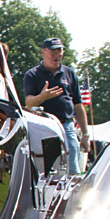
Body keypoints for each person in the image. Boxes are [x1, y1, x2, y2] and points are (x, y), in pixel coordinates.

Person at [23, 37, 89, 174]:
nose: (56, 55)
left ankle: (71, 192)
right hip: (44, 127)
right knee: (47, 170)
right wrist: (42, 97)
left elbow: (78, 106)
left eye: (59, 51)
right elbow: (28, 103)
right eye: (52, 51)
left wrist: (85, 134)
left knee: (73, 169)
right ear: (43, 52)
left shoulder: (70, 73)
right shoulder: (32, 74)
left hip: (67, 125)